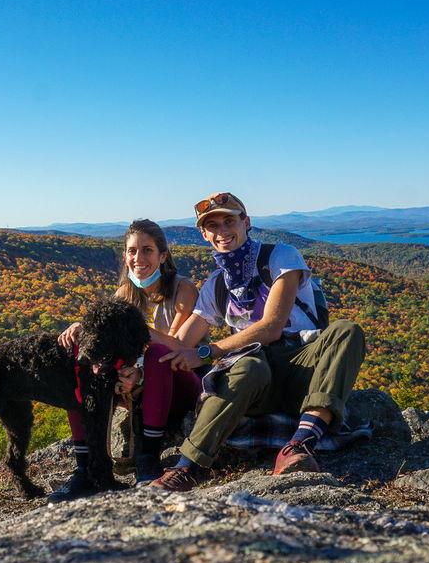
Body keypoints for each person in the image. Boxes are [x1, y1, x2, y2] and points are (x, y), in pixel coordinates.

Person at [153, 191, 367, 493]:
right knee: (249, 366)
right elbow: (178, 342)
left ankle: (299, 445)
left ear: (246, 222)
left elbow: (271, 327)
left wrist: (208, 350)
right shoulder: (216, 284)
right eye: (212, 226)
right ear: (203, 234)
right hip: (254, 381)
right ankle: (186, 468)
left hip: (300, 363)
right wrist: (129, 326)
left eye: (229, 221)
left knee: (347, 331)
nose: (222, 231)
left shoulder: (280, 257)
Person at [53, 219, 201, 500]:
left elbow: (179, 349)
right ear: (125, 256)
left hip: (180, 385)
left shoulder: (184, 290)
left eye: (147, 250)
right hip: (137, 387)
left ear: (163, 256)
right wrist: (83, 328)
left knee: (158, 354)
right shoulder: (123, 294)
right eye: (132, 251)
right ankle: (86, 467)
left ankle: (148, 459)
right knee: (76, 357)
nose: (138, 258)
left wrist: (134, 328)